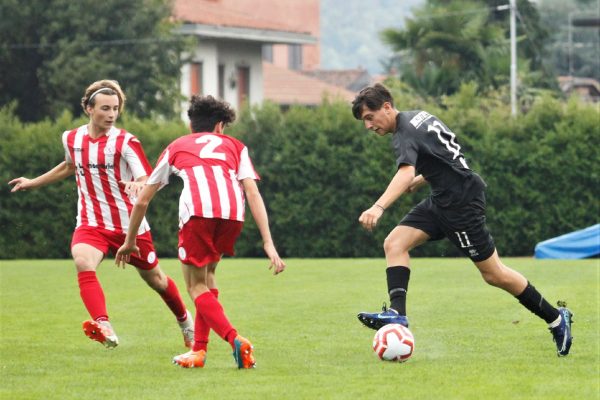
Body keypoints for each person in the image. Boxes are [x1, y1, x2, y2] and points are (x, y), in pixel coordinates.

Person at [351, 83, 573, 357]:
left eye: (369, 118)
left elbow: (405, 173)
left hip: (461, 205)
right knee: (394, 243)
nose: (369, 126)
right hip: (443, 199)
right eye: (365, 121)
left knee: (494, 274)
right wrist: (427, 177)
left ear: (386, 106)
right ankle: (397, 314)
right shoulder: (419, 116)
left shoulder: (403, 132)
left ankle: (556, 318)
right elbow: (449, 151)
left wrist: (378, 206)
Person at [9, 79, 194, 349]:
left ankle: (185, 321)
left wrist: (138, 184)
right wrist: (33, 182)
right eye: (105, 108)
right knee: (83, 261)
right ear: (88, 108)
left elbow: (146, 177)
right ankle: (103, 325)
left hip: (129, 225)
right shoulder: (71, 138)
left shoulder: (126, 142)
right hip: (91, 222)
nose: (111, 114)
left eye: (115, 109)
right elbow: (70, 166)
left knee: (156, 280)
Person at [115, 94, 286, 369]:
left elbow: (143, 200)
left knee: (195, 286)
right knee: (208, 278)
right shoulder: (236, 146)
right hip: (232, 213)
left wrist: (130, 241)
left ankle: (235, 340)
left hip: (198, 212)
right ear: (220, 126)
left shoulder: (177, 145)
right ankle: (199, 351)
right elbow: (252, 191)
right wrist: (268, 242)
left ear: (191, 125)